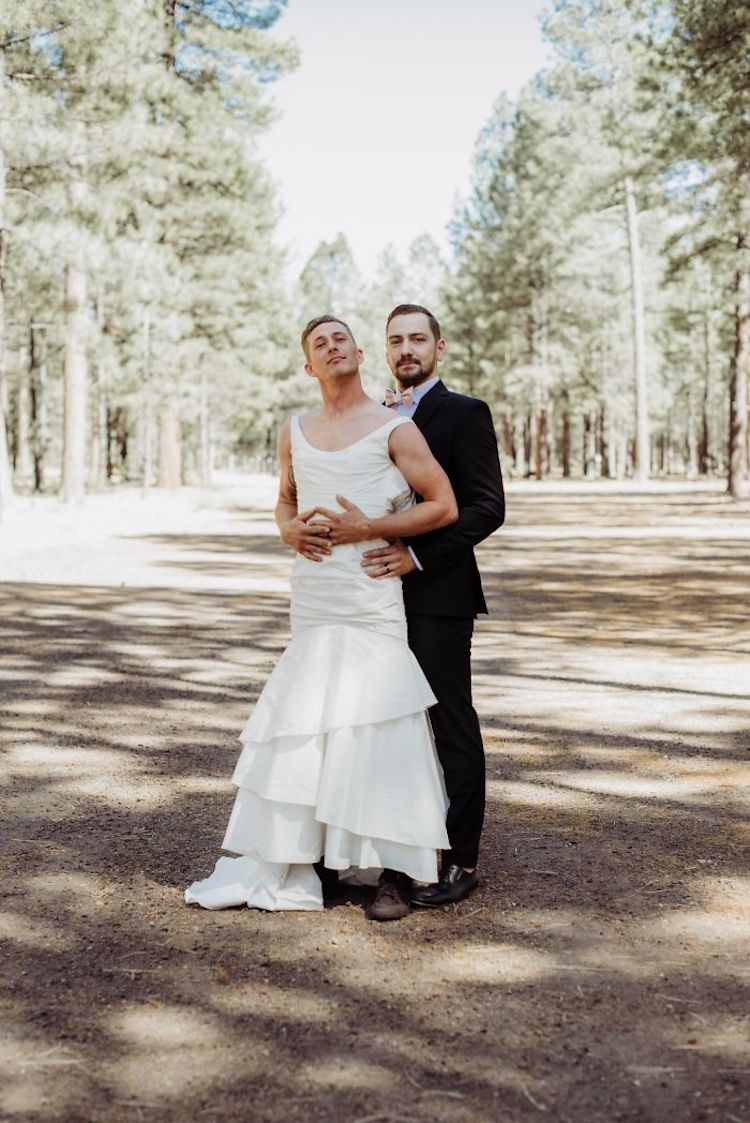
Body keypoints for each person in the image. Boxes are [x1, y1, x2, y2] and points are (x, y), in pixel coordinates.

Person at [185, 314, 457, 919]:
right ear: (309, 365)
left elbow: (443, 505)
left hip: (369, 590)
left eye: (341, 339)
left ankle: (395, 872)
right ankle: (313, 857)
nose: (332, 347)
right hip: (314, 593)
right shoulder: (295, 430)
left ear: (359, 354)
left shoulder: (395, 428)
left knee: (380, 718)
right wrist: (288, 532)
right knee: (311, 719)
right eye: (319, 343)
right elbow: (286, 501)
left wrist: (371, 527)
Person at [319, 304, 505, 913]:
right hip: (371, 598)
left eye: (417, 339)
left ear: (438, 348)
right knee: (376, 722)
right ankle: (378, 849)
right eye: (396, 340)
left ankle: (460, 860)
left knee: (449, 723)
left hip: (438, 596)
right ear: (385, 350)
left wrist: (418, 557)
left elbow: (487, 507)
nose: (407, 349)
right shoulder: (374, 415)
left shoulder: (465, 413)